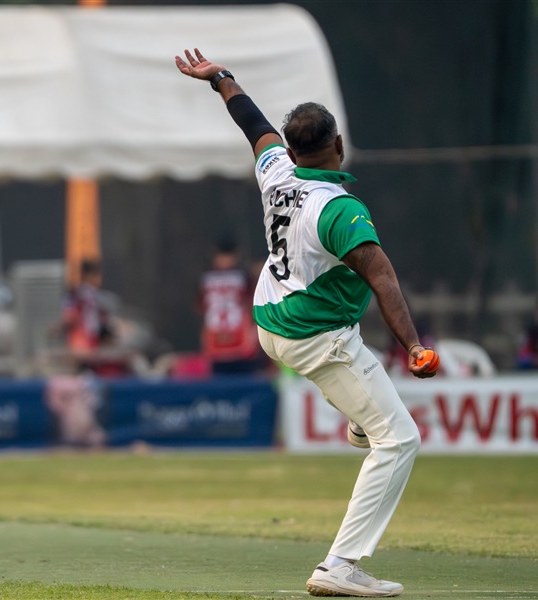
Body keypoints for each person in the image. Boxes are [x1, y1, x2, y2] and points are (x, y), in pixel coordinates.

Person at [176, 49, 438, 597]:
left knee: (349, 333)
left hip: (269, 322)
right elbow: (383, 279)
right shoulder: (340, 210)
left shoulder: (275, 171)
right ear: (338, 146)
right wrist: (413, 346)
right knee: (402, 439)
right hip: (315, 338)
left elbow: (253, 124)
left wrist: (221, 79)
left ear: (292, 150)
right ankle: (339, 565)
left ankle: (359, 418)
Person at [196, 236, 259, 375]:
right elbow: (201, 307)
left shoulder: (243, 277)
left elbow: (252, 303)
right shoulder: (208, 278)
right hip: (216, 342)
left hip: (240, 341)